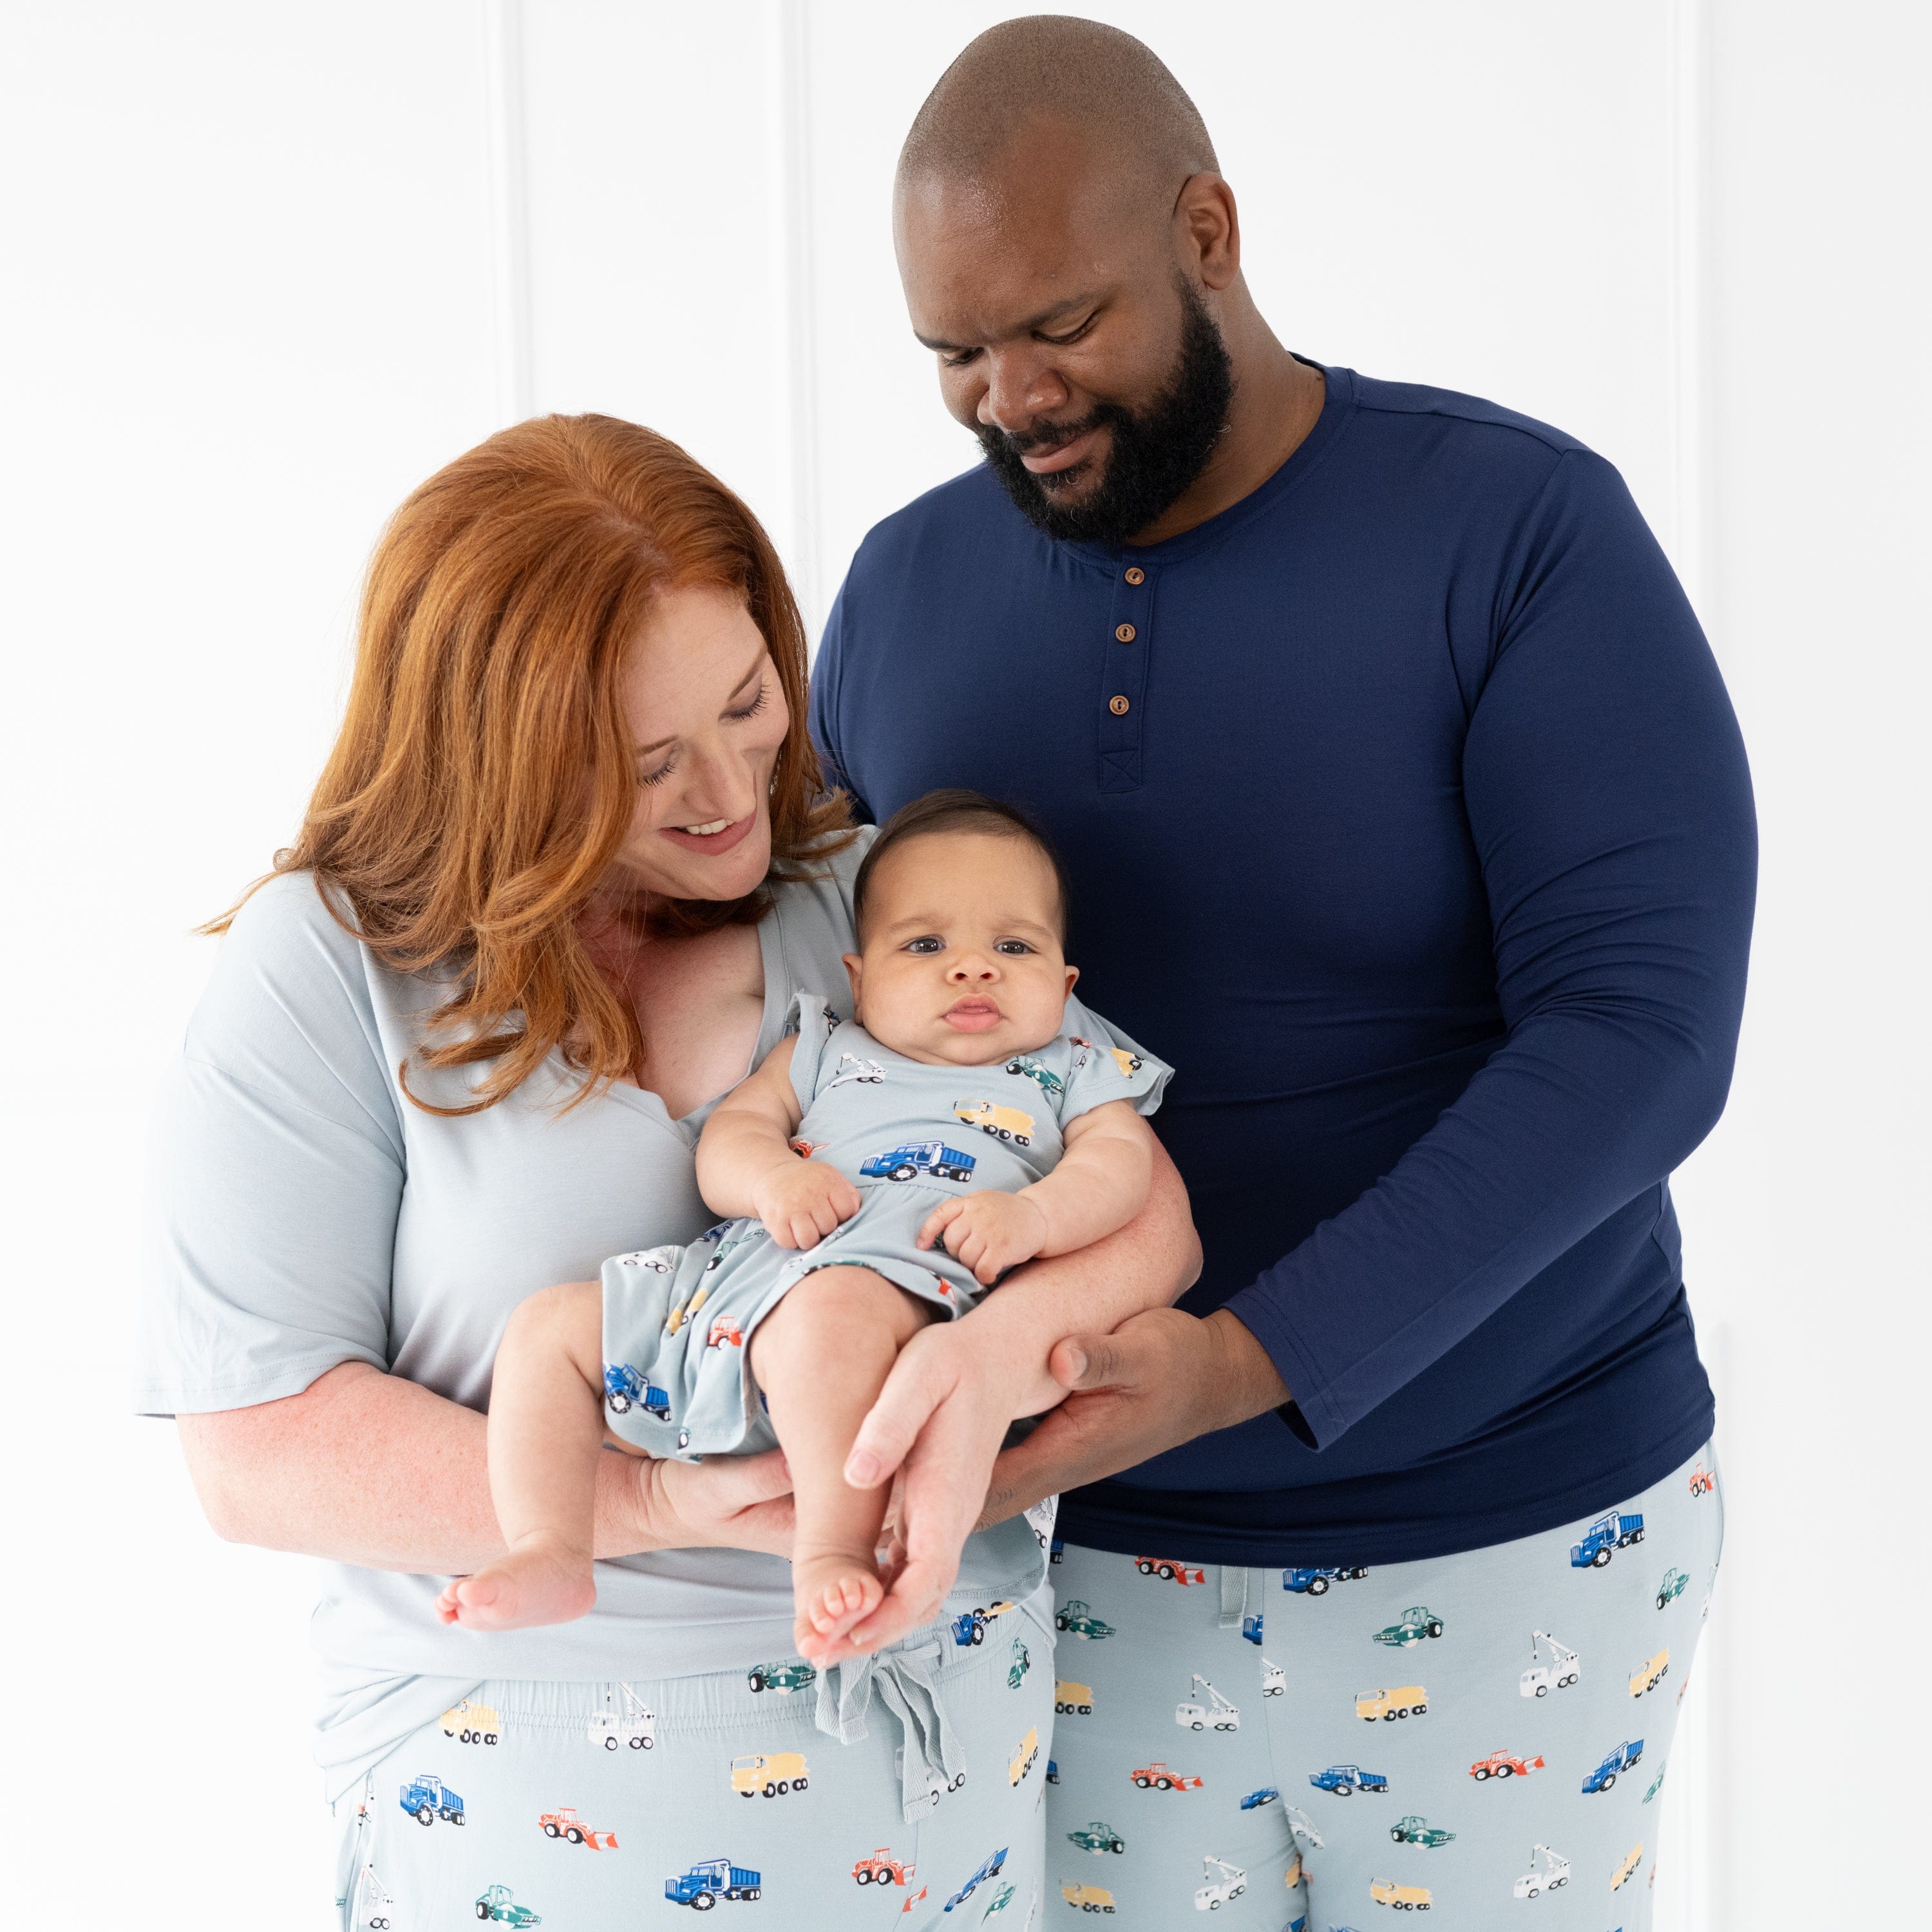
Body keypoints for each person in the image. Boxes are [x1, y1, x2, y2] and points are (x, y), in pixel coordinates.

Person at [810, 19, 1755, 1927]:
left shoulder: (1516, 530)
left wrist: (1247, 1362)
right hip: (1063, 1575)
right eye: (951, 354)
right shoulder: (901, 594)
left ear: (1211, 230)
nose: (1007, 396)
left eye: (1058, 324)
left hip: (1514, 1540)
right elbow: (815, 1034)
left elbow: (1643, 1035)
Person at [137, 413, 1200, 1927]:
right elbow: (253, 1450)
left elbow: (1144, 1200)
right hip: (522, 1791)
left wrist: (1004, 1351)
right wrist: (640, 1506)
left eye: (750, 703)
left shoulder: (877, 906)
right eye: (642, 763)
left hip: (918, 1775)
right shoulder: (331, 967)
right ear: (494, 763)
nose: (726, 793)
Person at [441, 790, 1171, 1660]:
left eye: (1013, 946)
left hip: (904, 1291)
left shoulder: (1074, 1066)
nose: (973, 968)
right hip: (736, 1289)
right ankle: (552, 1545)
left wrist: (1035, 1215)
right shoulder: (825, 1044)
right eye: (926, 944)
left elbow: (1119, 1168)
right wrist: (773, 1179)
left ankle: (831, 1548)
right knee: (546, 1329)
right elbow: (731, 1139)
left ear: (1064, 983)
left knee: (830, 1319)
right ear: (860, 976)